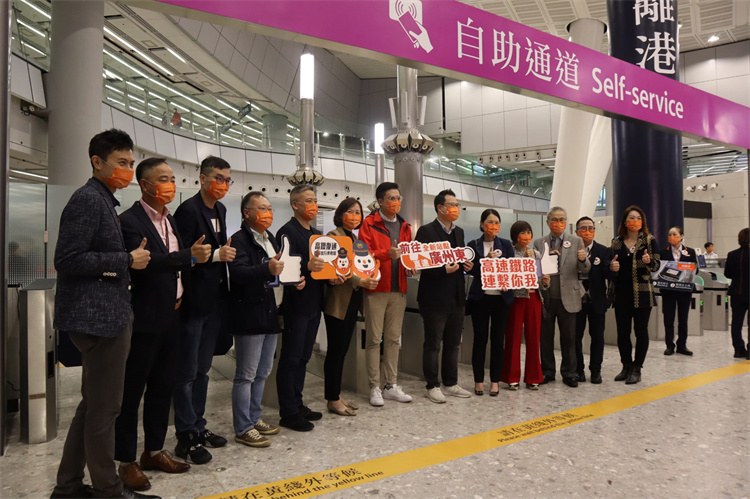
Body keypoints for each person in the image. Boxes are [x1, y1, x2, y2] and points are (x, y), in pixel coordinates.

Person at [51, 129, 155, 499]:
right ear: (98, 162)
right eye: (121, 162)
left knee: (93, 405)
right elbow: (67, 259)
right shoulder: (88, 199)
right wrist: (126, 259)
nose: (128, 169)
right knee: (105, 409)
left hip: (107, 315)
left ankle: (67, 486)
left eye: (130, 162)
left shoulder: (103, 200)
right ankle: (108, 489)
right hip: (99, 320)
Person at [115, 158, 211, 491]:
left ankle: (154, 451)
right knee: (132, 392)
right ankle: (125, 460)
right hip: (144, 318)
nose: (170, 184)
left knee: (162, 388)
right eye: (163, 179)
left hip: (174, 315)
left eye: (172, 178)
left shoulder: (170, 221)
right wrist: (188, 256)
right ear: (145, 185)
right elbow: (144, 263)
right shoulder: (129, 221)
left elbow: (177, 264)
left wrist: (190, 262)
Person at [173, 156, 236, 464]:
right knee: (186, 371)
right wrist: (214, 257)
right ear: (202, 179)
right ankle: (185, 433)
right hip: (193, 301)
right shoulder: (187, 210)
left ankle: (198, 425)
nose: (223, 184)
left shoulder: (220, 210)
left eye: (227, 179)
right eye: (218, 178)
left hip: (215, 300)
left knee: (203, 369)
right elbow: (181, 256)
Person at [228, 192, 303, 447]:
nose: (268, 213)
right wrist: (266, 269)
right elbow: (238, 274)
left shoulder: (270, 238)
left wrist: (294, 280)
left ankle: (254, 417)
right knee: (246, 374)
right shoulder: (239, 240)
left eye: (269, 208)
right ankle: (243, 427)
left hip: (272, 312)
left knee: (263, 372)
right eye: (261, 208)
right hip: (250, 314)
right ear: (246, 212)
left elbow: (278, 271)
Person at [358, 182, 415, 407]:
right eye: (391, 198)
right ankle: (374, 386)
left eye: (398, 198)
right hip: (376, 288)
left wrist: (410, 266)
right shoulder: (369, 224)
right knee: (374, 339)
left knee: (393, 339)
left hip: (399, 289)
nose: (396, 202)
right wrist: (385, 254)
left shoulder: (405, 226)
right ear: (380, 201)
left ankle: (391, 384)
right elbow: (362, 254)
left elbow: (407, 255)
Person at [275, 185, 326, 431]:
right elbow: (285, 267)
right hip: (296, 305)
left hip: (315, 302)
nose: (313, 205)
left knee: (304, 357)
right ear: (295, 204)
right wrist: (307, 266)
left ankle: (298, 403)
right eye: (308, 201)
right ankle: (288, 412)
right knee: (291, 357)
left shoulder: (317, 234)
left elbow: (324, 266)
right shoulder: (287, 232)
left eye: (315, 200)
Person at [415, 189, 473, 403]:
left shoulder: (459, 232)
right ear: (440, 208)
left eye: (457, 205)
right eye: (452, 205)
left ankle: (451, 382)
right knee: (433, 344)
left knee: (453, 343)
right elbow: (420, 262)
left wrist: (467, 266)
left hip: (457, 296)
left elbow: (459, 259)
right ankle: (432, 385)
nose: (456, 208)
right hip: (434, 297)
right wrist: (442, 270)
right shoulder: (425, 231)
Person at [323, 198, 378, 415]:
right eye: (350, 211)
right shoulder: (333, 237)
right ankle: (332, 398)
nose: (355, 216)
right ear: (340, 214)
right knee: (336, 351)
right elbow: (338, 267)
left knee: (342, 350)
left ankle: (336, 395)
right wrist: (360, 281)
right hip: (338, 302)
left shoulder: (354, 239)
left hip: (353, 300)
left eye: (358, 212)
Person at [533, 207, 590, 388]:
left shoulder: (576, 241)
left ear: (566, 222)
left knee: (569, 338)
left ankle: (569, 373)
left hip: (570, 297)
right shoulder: (539, 243)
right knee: (545, 338)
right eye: (555, 219)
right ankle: (547, 371)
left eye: (562, 219)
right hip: (546, 297)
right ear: (548, 222)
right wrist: (542, 280)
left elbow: (585, 269)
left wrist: (583, 259)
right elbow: (535, 270)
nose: (558, 223)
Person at [609, 205, 660, 385]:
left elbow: (656, 266)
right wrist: (612, 267)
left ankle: (637, 368)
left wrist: (649, 261)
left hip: (642, 292)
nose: (635, 221)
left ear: (642, 222)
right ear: (625, 221)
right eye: (631, 217)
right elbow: (611, 266)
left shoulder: (649, 240)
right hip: (621, 293)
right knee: (623, 332)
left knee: (641, 331)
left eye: (638, 218)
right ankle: (626, 366)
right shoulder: (616, 242)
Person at [466, 209, 514, 396]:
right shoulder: (473, 245)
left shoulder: (506, 245)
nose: (493, 226)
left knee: (498, 340)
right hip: (480, 298)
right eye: (490, 222)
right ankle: (478, 380)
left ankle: (495, 381)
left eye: (496, 222)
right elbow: (471, 270)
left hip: (501, 299)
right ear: (481, 224)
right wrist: (486, 261)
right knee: (480, 339)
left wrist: (507, 282)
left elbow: (511, 269)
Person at [499, 221, 549, 390]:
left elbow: (540, 279)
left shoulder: (536, 253)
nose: (526, 236)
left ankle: (533, 377)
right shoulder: (509, 253)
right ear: (515, 236)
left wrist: (545, 282)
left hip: (534, 298)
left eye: (528, 232)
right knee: (513, 337)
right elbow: (508, 276)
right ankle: (512, 377)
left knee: (534, 337)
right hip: (516, 298)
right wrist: (524, 262)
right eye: (522, 233)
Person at [573, 217, 612, 384]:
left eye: (591, 228)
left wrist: (613, 269)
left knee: (597, 337)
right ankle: (578, 370)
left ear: (595, 231)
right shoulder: (571, 249)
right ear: (576, 231)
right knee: (575, 337)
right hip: (576, 299)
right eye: (583, 228)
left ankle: (596, 370)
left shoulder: (603, 251)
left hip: (596, 300)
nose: (587, 232)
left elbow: (609, 275)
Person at [659, 227, 697, 356]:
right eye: (670, 235)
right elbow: (659, 270)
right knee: (668, 318)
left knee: (683, 318)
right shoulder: (663, 252)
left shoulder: (690, 252)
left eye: (675, 234)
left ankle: (682, 345)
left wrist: (684, 273)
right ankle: (669, 345)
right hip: (668, 290)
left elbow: (695, 269)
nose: (672, 237)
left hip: (684, 290)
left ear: (682, 236)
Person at [724, 228, 750, 359]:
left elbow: (727, 274)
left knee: (736, 323)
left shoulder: (732, 254)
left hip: (736, 292)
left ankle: (738, 349)